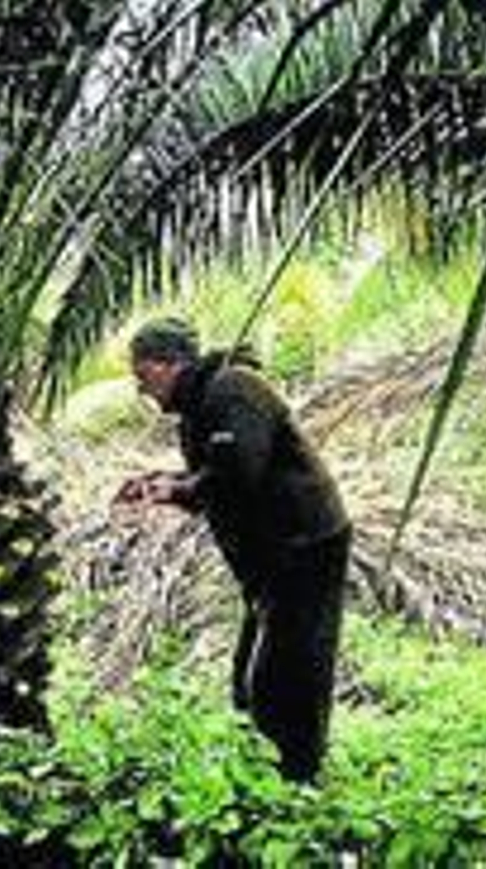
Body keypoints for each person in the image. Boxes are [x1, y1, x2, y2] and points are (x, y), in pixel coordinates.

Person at [113, 316, 351, 783]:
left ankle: (298, 777)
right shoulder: (199, 406)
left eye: (143, 376)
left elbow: (237, 474)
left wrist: (176, 491)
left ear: (167, 364)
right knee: (254, 670)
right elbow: (214, 475)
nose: (142, 390)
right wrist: (164, 482)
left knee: (288, 671)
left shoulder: (232, 391)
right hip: (269, 558)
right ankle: (264, 763)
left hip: (303, 547)